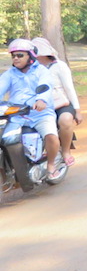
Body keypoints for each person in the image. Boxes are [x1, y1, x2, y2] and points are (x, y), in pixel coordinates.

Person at [0, 39, 61, 179]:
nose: (16, 58)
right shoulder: (9, 74)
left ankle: (51, 165)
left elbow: (46, 85)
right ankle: (13, 170)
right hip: (16, 116)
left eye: (20, 55)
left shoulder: (42, 71)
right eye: (13, 56)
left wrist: (41, 100)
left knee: (51, 136)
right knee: (6, 140)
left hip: (40, 114)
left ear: (31, 56)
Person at [32, 37, 82, 167]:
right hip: (40, 106)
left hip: (61, 104)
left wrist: (77, 110)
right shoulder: (31, 69)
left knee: (65, 120)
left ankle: (66, 152)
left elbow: (69, 88)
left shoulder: (59, 66)